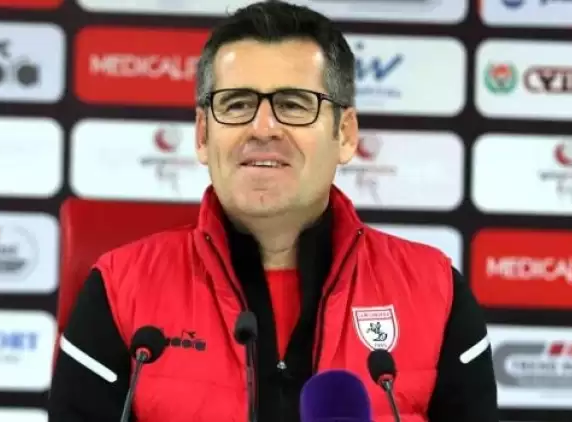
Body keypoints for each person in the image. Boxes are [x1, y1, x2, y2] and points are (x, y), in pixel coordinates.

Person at [48, 1, 499, 421]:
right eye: (237, 104)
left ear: (345, 134)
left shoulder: (437, 293)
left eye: (293, 105)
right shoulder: (118, 291)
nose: (262, 128)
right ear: (203, 135)